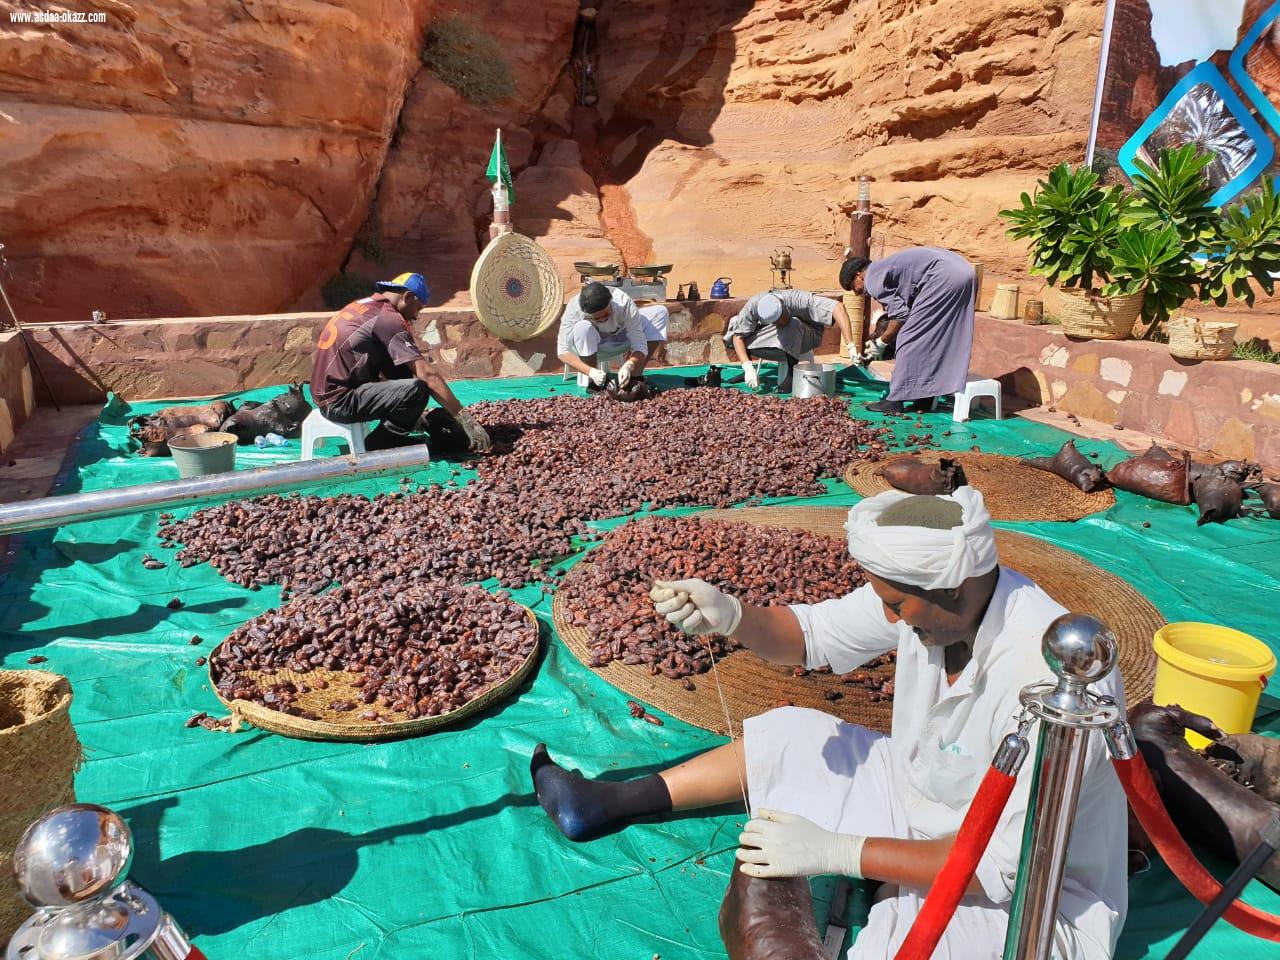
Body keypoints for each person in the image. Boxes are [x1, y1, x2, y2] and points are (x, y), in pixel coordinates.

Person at [530, 489, 1127, 960]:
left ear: (957, 585)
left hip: (1030, 899)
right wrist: (733, 615)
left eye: (898, 607)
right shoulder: (926, 599)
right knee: (794, 732)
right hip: (923, 797)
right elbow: (809, 636)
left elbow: (1000, 867)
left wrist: (837, 851)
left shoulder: (1051, 675)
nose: (891, 617)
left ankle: (886, 885)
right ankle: (606, 803)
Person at [310, 272, 490, 452]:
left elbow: (396, 370)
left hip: (327, 395)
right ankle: (377, 445)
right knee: (417, 390)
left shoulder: (363, 306)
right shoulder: (388, 318)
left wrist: (415, 414)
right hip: (340, 402)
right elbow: (427, 375)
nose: (417, 316)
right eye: (418, 308)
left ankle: (400, 427)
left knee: (403, 372)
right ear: (407, 297)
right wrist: (464, 418)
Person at [840, 248, 977, 414]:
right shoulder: (884, 268)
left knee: (909, 338)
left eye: (852, 287)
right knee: (934, 337)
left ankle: (895, 400)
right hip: (965, 272)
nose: (857, 292)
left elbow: (901, 315)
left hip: (944, 277)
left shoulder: (872, 277)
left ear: (859, 275)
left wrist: (882, 342)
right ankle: (926, 396)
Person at [725, 289, 858, 392]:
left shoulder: (797, 299)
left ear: (783, 306)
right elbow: (738, 337)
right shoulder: (754, 305)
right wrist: (748, 368)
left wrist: (851, 346)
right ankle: (749, 371)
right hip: (776, 335)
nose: (780, 322)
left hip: (809, 335)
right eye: (776, 321)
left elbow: (838, 307)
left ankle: (790, 375)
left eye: (781, 317)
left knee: (791, 324)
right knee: (736, 324)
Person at [557, 281, 669, 389]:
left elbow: (639, 344)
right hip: (590, 346)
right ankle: (594, 383)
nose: (603, 319)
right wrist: (590, 371)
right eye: (597, 318)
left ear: (610, 301)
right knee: (582, 327)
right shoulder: (574, 309)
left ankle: (634, 378)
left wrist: (630, 364)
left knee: (660, 312)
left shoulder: (623, 302)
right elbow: (562, 352)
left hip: (621, 339)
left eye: (606, 314)